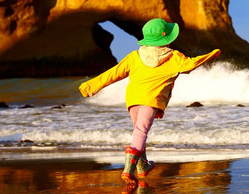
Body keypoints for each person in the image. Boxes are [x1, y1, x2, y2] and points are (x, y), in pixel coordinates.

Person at [80, 18, 220, 184]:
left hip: (132, 98)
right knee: (141, 132)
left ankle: (142, 166)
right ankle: (128, 169)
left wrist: (91, 86)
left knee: (138, 132)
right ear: (166, 40)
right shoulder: (173, 57)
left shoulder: (134, 56)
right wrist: (210, 56)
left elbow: (113, 73)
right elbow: (189, 65)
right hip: (150, 99)